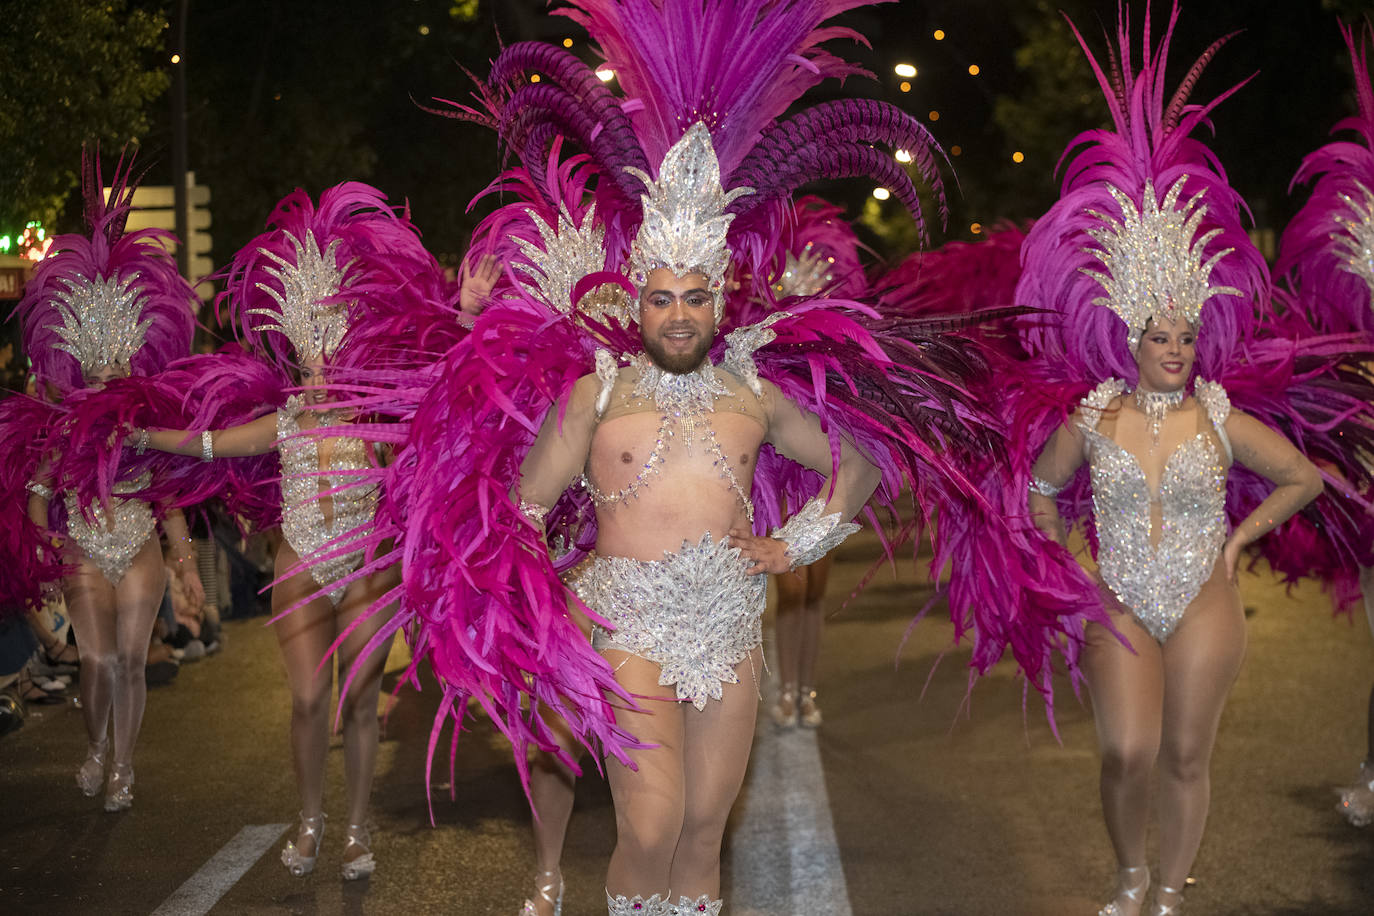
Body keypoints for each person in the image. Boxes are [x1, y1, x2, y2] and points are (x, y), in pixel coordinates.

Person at [1016, 7, 1330, 913]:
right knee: (1128, 751)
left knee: (1188, 754)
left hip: (1203, 594)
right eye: (1161, 335)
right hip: (1115, 592)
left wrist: (1240, 546)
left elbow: (1302, 478)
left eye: (1187, 336)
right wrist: (1069, 555)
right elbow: (1039, 491)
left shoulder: (1222, 416)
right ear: (1131, 338)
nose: (1177, 349)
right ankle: (1124, 869)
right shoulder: (1094, 415)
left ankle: (1164, 892)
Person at [130, 183, 486, 879]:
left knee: (356, 702)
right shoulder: (285, 421)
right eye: (309, 353)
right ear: (294, 354)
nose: (321, 366)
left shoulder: (379, 416)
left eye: (332, 350)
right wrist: (145, 434)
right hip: (299, 563)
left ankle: (355, 831)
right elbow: (210, 444)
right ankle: (311, 819)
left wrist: (465, 315)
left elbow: (445, 383)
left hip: (365, 569)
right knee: (305, 700)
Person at [7, 151, 204, 811]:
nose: (102, 368)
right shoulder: (62, 420)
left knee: (130, 658)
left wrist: (184, 561)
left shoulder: (146, 414)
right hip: (84, 546)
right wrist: (41, 550)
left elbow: (168, 493)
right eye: (92, 357)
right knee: (95, 662)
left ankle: (122, 765)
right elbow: (38, 492)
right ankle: (96, 746)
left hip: (140, 541)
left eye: (113, 354)